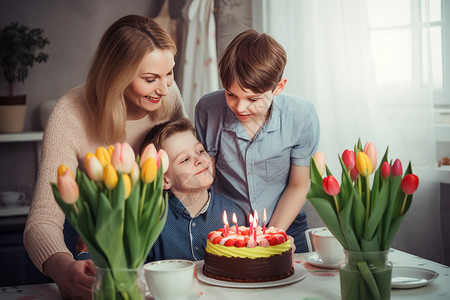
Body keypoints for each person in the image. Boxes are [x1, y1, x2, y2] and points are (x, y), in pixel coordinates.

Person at [23, 15, 185, 300]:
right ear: (117, 75)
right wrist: (63, 270)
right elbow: (42, 221)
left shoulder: (169, 97)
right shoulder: (70, 113)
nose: (165, 87)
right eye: (150, 79)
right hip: (100, 262)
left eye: (169, 73)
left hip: (165, 256)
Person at [195, 29, 320, 253]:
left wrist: (271, 237)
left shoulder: (302, 115)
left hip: (287, 225)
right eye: (230, 94)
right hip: (229, 231)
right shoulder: (208, 110)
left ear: (278, 87)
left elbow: (298, 185)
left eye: (253, 99)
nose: (240, 107)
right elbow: (207, 178)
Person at [139, 118, 246, 261]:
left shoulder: (234, 214)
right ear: (164, 180)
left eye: (200, 151)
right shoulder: (152, 221)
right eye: (185, 159)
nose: (199, 159)